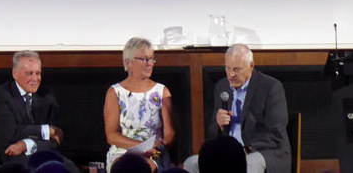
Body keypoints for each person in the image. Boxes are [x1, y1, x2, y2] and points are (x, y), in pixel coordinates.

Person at [183, 44, 289, 173]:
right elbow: (211, 133)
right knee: (191, 164)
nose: (231, 74)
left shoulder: (271, 87)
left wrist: (246, 150)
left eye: (237, 69)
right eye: (228, 68)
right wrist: (218, 125)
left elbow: (274, 133)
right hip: (228, 152)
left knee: (250, 165)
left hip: (261, 151)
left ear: (251, 66)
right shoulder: (222, 86)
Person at [0, 51, 71, 172]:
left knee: (71, 168)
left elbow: (56, 138)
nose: (35, 79)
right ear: (15, 73)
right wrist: (45, 130)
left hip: (44, 152)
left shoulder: (47, 95)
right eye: (29, 73)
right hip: (14, 156)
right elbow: (9, 133)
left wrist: (26, 145)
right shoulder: (2, 94)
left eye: (38, 73)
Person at [104, 37, 174, 170]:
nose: (149, 63)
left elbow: (170, 133)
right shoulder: (115, 92)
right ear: (128, 63)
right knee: (125, 167)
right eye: (143, 59)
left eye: (151, 58)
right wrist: (141, 146)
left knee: (146, 166)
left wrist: (159, 146)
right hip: (123, 151)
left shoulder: (162, 91)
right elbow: (112, 135)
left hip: (154, 152)